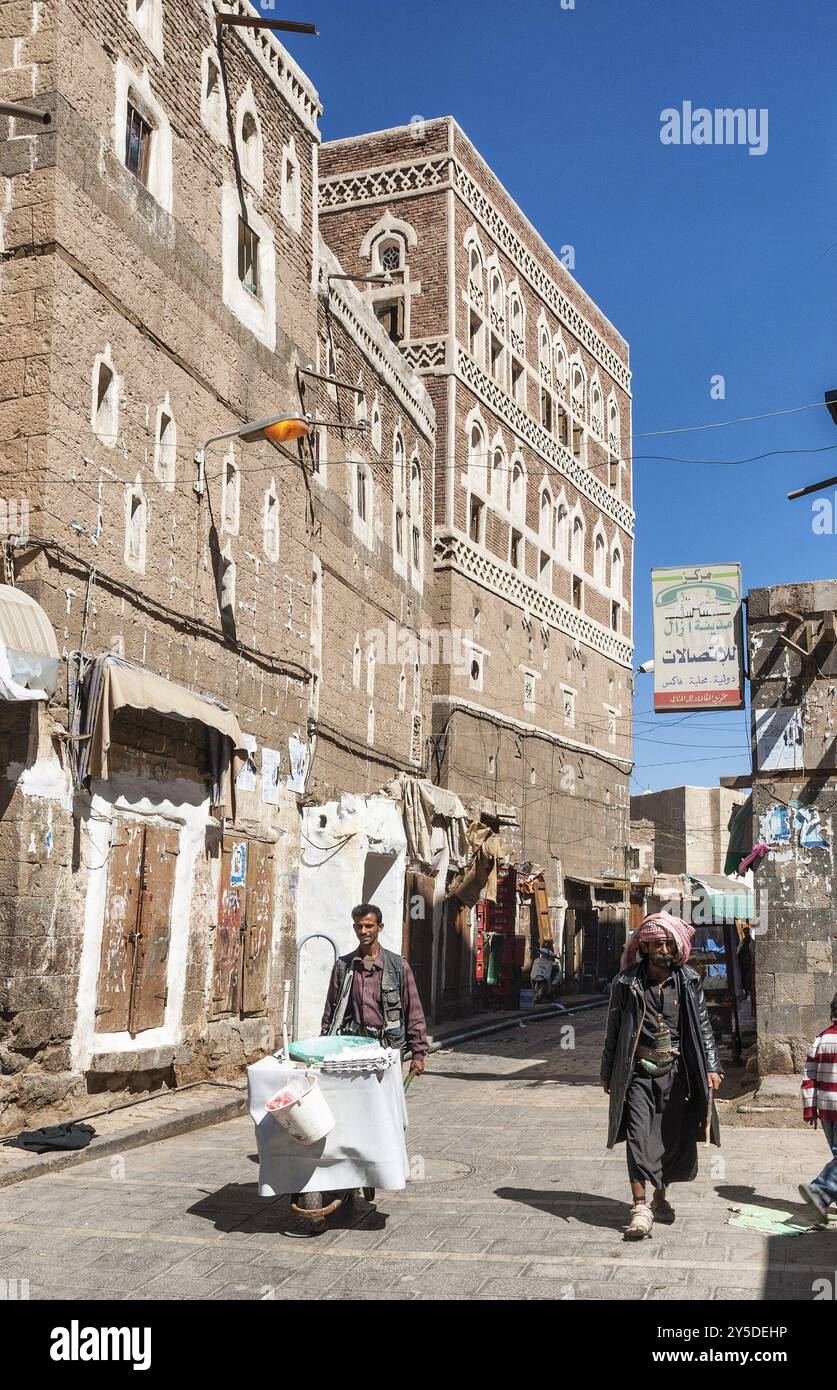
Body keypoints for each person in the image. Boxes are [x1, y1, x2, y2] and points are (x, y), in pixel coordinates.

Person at [600, 913, 723, 1240]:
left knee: (668, 1137)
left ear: (677, 946)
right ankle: (639, 1207)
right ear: (645, 945)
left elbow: (703, 1026)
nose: (663, 948)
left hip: (678, 1073)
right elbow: (613, 1030)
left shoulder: (689, 980)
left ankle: (660, 1196)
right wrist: (607, 1071)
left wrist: (712, 1065)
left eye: (668, 943)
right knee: (639, 1134)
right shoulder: (626, 983)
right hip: (638, 1073)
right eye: (657, 943)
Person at [321, 903, 428, 1075]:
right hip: (353, 1048)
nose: (363, 931)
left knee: (385, 1100)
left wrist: (418, 1054)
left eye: (369, 926)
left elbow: (414, 1011)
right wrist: (324, 1043)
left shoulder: (398, 966)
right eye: (359, 926)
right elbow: (330, 1010)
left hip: (388, 1047)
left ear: (380, 927)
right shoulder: (343, 966)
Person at [798, 991, 837, 1223]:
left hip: (826, 1110)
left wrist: (810, 1108)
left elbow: (809, 1076)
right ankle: (820, 1192)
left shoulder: (821, 1038)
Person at [737, 926, 754, 1000]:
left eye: (746, 932)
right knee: (745, 980)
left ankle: (749, 993)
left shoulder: (750, 941)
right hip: (744, 964)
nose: (745, 933)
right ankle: (747, 993)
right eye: (745, 932)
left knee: (748, 980)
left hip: (748, 964)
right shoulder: (743, 941)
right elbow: (738, 951)